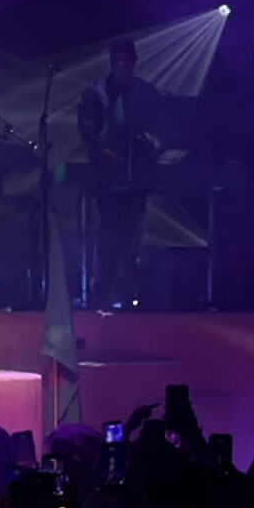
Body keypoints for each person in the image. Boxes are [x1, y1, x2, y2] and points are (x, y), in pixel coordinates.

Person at [77, 38, 162, 309]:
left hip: (136, 179)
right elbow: (88, 133)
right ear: (112, 62)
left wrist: (147, 153)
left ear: (134, 62)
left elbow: (160, 131)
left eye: (127, 60)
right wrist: (109, 156)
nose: (122, 65)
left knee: (131, 238)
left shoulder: (146, 93)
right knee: (106, 236)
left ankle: (127, 295)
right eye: (118, 60)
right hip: (106, 179)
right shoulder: (96, 94)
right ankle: (100, 294)